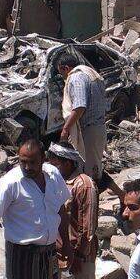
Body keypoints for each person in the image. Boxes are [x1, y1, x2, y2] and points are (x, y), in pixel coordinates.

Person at [0, 139, 70, 279]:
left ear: (43, 159)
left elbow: (61, 210)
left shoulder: (53, 175)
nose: (27, 167)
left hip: (49, 252)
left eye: (32, 162)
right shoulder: (10, 183)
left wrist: (66, 243)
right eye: (23, 162)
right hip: (22, 256)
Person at [49, 142, 99, 279]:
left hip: (76, 258)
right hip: (59, 256)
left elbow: (88, 226)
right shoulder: (57, 183)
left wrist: (79, 254)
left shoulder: (83, 184)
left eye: (56, 162)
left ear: (68, 163)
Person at [56, 51, 109, 185]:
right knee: (95, 168)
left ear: (66, 68)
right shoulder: (90, 74)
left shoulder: (76, 78)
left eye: (61, 73)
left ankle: (91, 201)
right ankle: (119, 195)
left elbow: (80, 106)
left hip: (88, 131)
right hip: (98, 127)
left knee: (89, 173)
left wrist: (66, 128)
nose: (62, 77)